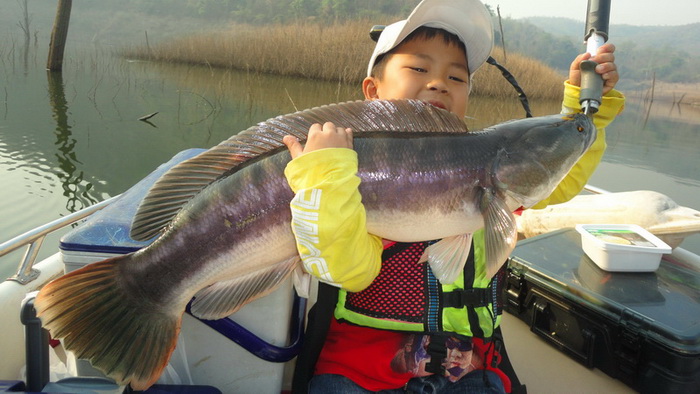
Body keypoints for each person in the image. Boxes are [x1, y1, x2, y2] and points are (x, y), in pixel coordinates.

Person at [282, 0, 625, 393]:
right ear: (372, 91)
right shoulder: (343, 167)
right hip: (360, 375)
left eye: (457, 77)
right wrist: (324, 177)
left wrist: (584, 112)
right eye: (418, 68)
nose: (439, 82)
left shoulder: (493, 169)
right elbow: (344, 269)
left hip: (471, 375)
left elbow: (553, 174)